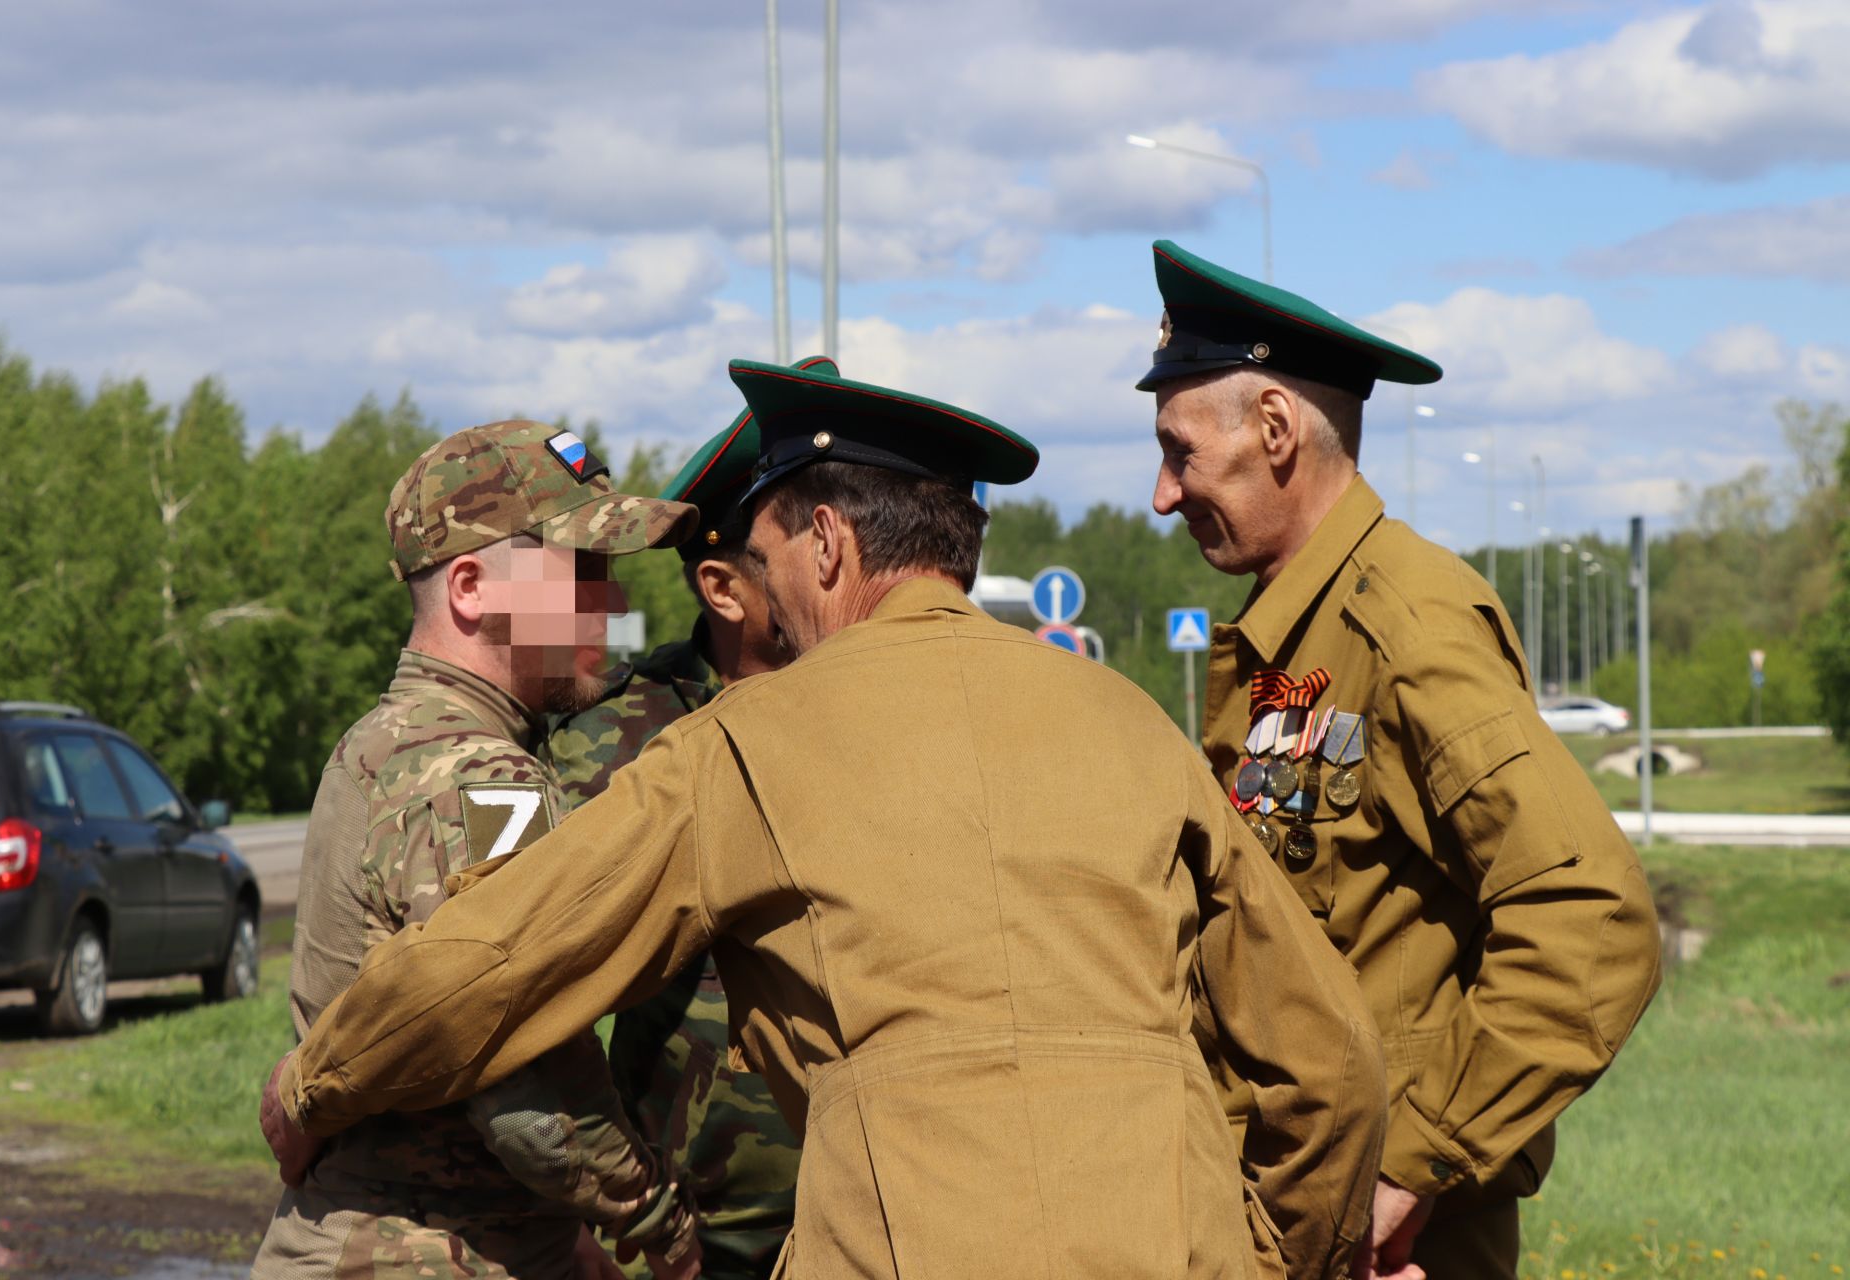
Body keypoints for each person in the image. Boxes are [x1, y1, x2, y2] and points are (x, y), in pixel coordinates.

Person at [260, 357, 1389, 1280]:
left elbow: (488, 962)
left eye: (764, 561)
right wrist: (1272, 1256)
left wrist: (315, 1081)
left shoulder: (746, 741)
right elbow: (1331, 1063)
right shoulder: (1134, 722)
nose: (767, 608)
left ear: (830, 546)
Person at [1134, 239, 1664, 1280]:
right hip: (1293, 1205)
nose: (1161, 492)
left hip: (1390, 1238)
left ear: (1276, 430)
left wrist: (1412, 1169)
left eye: (1180, 450)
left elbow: (1589, 912)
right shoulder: (1295, 628)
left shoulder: (1403, 624)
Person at [252, 419, 703, 1280]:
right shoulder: (484, 777)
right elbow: (525, 1080)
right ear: (471, 588)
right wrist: (658, 1222)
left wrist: (563, 1242)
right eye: (582, 572)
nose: (610, 603)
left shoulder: (379, 742)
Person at [546, 361, 831, 1278]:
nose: (837, 556)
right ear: (725, 587)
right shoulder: (614, 741)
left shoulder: (894, 710)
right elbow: (535, 1002)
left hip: (883, 1218)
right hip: (699, 1243)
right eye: (806, 537)